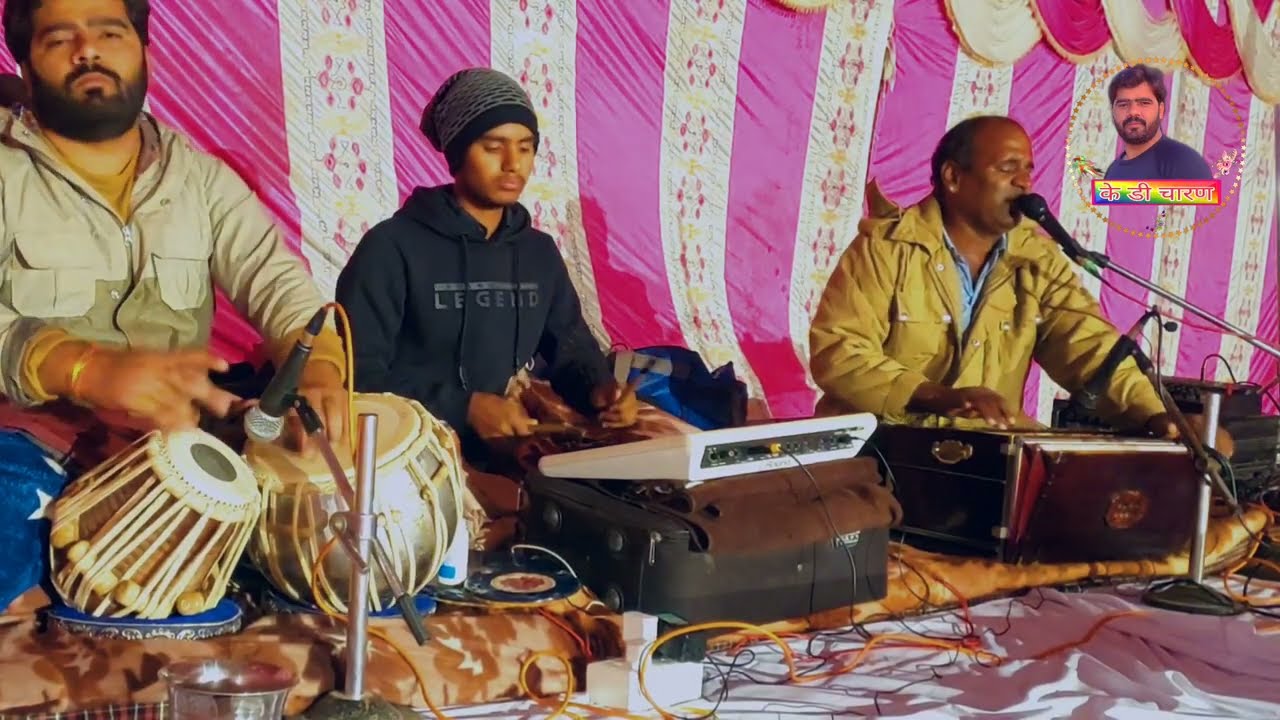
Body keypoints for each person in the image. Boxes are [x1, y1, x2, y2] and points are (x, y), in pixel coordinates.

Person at [0, 0, 348, 609]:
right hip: (33, 444)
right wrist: (87, 368)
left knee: (338, 540)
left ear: (146, 56)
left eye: (110, 32)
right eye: (60, 39)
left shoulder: (202, 180)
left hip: (182, 445)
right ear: (27, 70)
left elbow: (279, 286)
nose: (89, 50)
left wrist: (316, 372)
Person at [809, 115, 1197, 439]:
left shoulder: (1037, 262)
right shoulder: (886, 247)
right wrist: (936, 396)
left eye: (1028, 169)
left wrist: (1158, 417)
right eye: (1008, 168)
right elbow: (839, 354)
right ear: (954, 177)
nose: (1025, 183)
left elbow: (1090, 349)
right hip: (883, 451)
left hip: (983, 459)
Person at [335, 67, 637, 464]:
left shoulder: (538, 254)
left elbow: (571, 349)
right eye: (494, 147)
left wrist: (600, 390)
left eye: (525, 148)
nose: (513, 163)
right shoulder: (390, 247)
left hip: (507, 446)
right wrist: (464, 408)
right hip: (406, 456)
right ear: (459, 155)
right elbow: (357, 376)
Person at [1103, 64, 1214, 181]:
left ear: (1161, 110)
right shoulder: (1113, 171)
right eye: (1123, 105)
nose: (1133, 112)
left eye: (1144, 103)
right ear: (1112, 111)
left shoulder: (1185, 163)